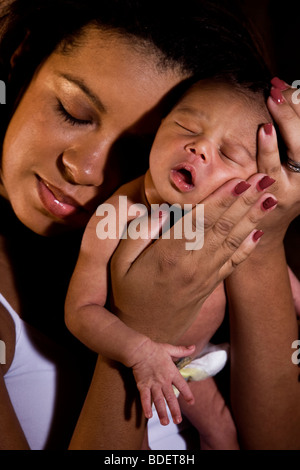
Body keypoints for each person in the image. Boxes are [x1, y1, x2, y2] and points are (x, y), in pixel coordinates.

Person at [0, 0, 299, 451]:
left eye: (136, 151)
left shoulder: (183, 219)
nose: (87, 171)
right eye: (74, 111)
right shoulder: (110, 225)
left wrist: (266, 234)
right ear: (22, 57)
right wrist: (143, 327)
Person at [64, 74, 282, 449]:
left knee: (223, 434)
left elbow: (274, 280)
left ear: (255, 182)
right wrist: (139, 351)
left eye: (229, 153)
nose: (198, 148)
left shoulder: (224, 223)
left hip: (195, 356)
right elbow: (79, 311)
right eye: (187, 126)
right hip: (143, 363)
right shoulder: (116, 214)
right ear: (159, 125)